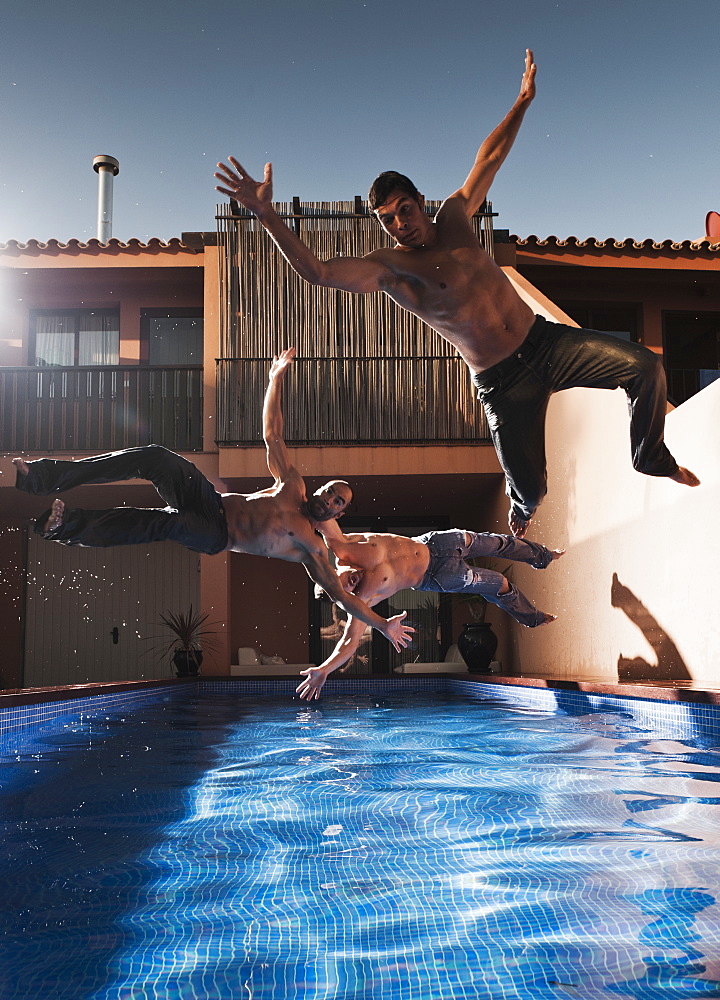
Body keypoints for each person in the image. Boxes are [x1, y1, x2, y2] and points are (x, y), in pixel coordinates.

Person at [215, 50, 699, 540]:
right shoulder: (393, 267)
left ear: (420, 202)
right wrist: (265, 214)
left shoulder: (455, 216)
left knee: (646, 367)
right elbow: (317, 272)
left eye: (404, 210)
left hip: (547, 344)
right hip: (503, 383)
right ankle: (519, 503)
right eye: (388, 220)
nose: (401, 225)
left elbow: (488, 158)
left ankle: (650, 458)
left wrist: (523, 101)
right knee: (534, 492)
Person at [14, 349, 414, 652]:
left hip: (214, 534)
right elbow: (272, 433)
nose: (328, 501)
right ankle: (44, 477)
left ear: (339, 513)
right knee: (158, 457)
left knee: (165, 523)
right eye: (329, 492)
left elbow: (344, 598)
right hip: (212, 502)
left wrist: (382, 625)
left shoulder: (311, 548)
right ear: (320, 489)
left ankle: (65, 527)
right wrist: (275, 378)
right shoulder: (292, 484)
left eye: (337, 503)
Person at [296, 519, 564, 700]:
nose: (351, 588)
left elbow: (321, 516)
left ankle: (544, 556)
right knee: (501, 585)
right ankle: (533, 617)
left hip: (435, 542)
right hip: (438, 576)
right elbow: (349, 641)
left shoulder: (343, 545)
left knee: (498, 543)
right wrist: (324, 670)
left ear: (332, 572)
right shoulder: (364, 600)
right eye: (346, 596)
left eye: (343, 584)